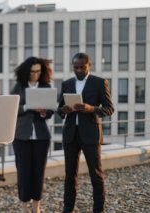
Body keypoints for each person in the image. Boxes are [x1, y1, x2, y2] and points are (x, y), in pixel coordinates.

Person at [57, 53, 114, 213]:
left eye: (82, 66)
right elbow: (59, 109)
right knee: (69, 176)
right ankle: (67, 209)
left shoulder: (99, 83)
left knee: (96, 175)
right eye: (76, 67)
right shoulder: (67, 84)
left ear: (89, 65)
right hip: (70, 135)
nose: (79, 70)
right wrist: (64, 110)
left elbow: (109, 109)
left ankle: (98, 209)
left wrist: (92, 109)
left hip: (90, 135)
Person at [11, 57, 54, 213]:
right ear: (27, 71)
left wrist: (44, 111)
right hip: (21, 137)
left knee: (39, 171)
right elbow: (12, 108)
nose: (35, 74)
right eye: (32, 71)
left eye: (38, 71)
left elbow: (51, 111)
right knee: (23, 171)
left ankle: (36, 206)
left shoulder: (46, 86)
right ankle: (24, 206)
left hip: (41, 137)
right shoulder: (19, 87)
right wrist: (28, 107)